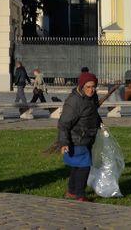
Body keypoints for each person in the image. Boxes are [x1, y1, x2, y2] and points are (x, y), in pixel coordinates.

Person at [57, 71, 102, 202]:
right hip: (76, 138)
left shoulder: (92, 97)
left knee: (77, 166)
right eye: (88, 87)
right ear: (81, 86)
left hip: (87, 137)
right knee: (84, 166)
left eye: (93, 87)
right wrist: (64, 142)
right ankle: (80, 195)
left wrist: (100, 124)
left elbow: (92, 113)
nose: (91, 90)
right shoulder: (74, 101)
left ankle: (72, 192)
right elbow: (64, 123)